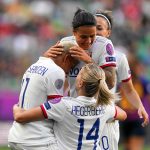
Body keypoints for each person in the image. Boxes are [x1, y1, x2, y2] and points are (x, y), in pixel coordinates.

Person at [13, 63, 127, 150]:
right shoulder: (105, 108)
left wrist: (16, 106)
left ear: (81, 83)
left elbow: (20, 117)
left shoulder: (63, 105)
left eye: (79, 73)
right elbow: (123, 115)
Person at [8, 41, 78, 150]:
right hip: (37, 139)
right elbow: (56, 110)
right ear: (67, 58)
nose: (69, 71)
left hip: (17, 135)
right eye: (72, 66)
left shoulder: (33, 66)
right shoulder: (56, 71)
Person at [94, 10, 149, 150]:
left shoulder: (118, 57)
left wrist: (140, 107)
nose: (95, 31)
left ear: (109, 32)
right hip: (79, 119)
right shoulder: (75, 54)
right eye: (92, 26)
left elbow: (129, 89)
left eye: (99, 28)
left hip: (106, 122)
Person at [43, 8, 117, 98]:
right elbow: (51, 79)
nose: (89, 41)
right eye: (83, 37)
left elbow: (110, 83)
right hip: (75, 106)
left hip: (98, 107)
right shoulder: (65, 43)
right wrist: (46, 60)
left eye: (92, 36)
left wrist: (89, 61)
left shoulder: (104, 44)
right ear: (74, 33)